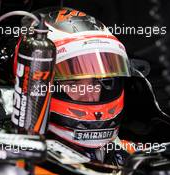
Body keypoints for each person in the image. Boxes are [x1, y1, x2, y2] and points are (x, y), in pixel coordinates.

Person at [34, 7, 136, 164]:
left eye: (97, 81)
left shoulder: (127, 152)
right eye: (73, 83)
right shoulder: (15, 156)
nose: (90, 94)